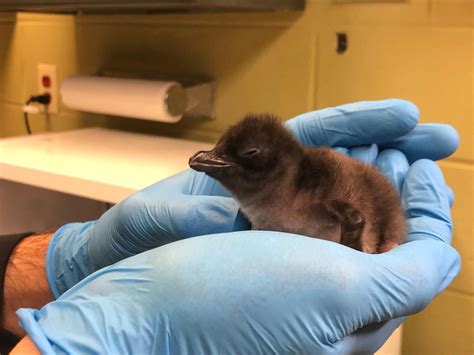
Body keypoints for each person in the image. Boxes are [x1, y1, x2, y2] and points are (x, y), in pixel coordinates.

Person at [1, 99, 460, 354]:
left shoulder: (321, 195)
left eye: (250, 161)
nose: (207, 162)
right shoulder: (274, 195)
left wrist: (59, 266)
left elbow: (359, 217)